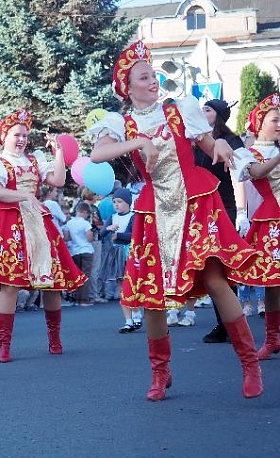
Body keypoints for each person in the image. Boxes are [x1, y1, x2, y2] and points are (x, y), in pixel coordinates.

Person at [89, 41, 262, 400]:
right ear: (128, 87)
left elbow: (208, 143)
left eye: (153, 75)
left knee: (215, 279)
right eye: (144, 77)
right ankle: (160, 371)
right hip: (154, 210)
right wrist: (138, 141)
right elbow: (97, 153)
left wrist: (223, 147)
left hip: (196, 201)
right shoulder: (120, 123)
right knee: (152, 296)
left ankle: (249, 363)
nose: (153, 80)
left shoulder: (179, 109)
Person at [0, 109, 86, 363]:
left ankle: (55, 338)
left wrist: (58, 151)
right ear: (3, 136)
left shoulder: (35, 160)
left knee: (51, 282)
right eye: (17, 134)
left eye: (25, 135)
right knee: (10, 284)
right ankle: (3, 345)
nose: (22, 139)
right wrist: (25, 196)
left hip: (37, 222)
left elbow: (58, 180)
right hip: (8, 224)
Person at [230, 93, 280, 360]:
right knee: (273, 284)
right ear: (259, 123)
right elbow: (257, 173)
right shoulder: (246, 153)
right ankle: (272, 338)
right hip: (272, 218)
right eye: (275, 119)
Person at [197, 98, 249, 344]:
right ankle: (224, 324)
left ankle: (233, 324)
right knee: (211, 267)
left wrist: (241, 211)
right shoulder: (197, 141)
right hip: (202, 209)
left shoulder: (232, 141)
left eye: (206, 110)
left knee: (224, 267)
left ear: (218, 115)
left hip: (225, 207)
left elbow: (241, 175)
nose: (201, 113)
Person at [98, 188, 138, 332]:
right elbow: (101, 234)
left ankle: (136, 313)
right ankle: (129, 320)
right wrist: (108, 228)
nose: (116, 204)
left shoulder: (134, 216)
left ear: (128, 202)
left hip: (130, 253)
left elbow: (135, 234)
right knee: (122, 286)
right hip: (116, 254)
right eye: (114, 202)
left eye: (120, 202)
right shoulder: (113, 217)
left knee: (133, 284)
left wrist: (119, 235)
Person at [63, 203, 95, 306]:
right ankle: (84, 300)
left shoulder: (69, 223)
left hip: (74, 251)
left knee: (77, 275)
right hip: (86, 250)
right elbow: (90, 238)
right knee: (86, 275)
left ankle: (76, 299)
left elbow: (67, 237)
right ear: (85, 212)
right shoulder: (85, 224)